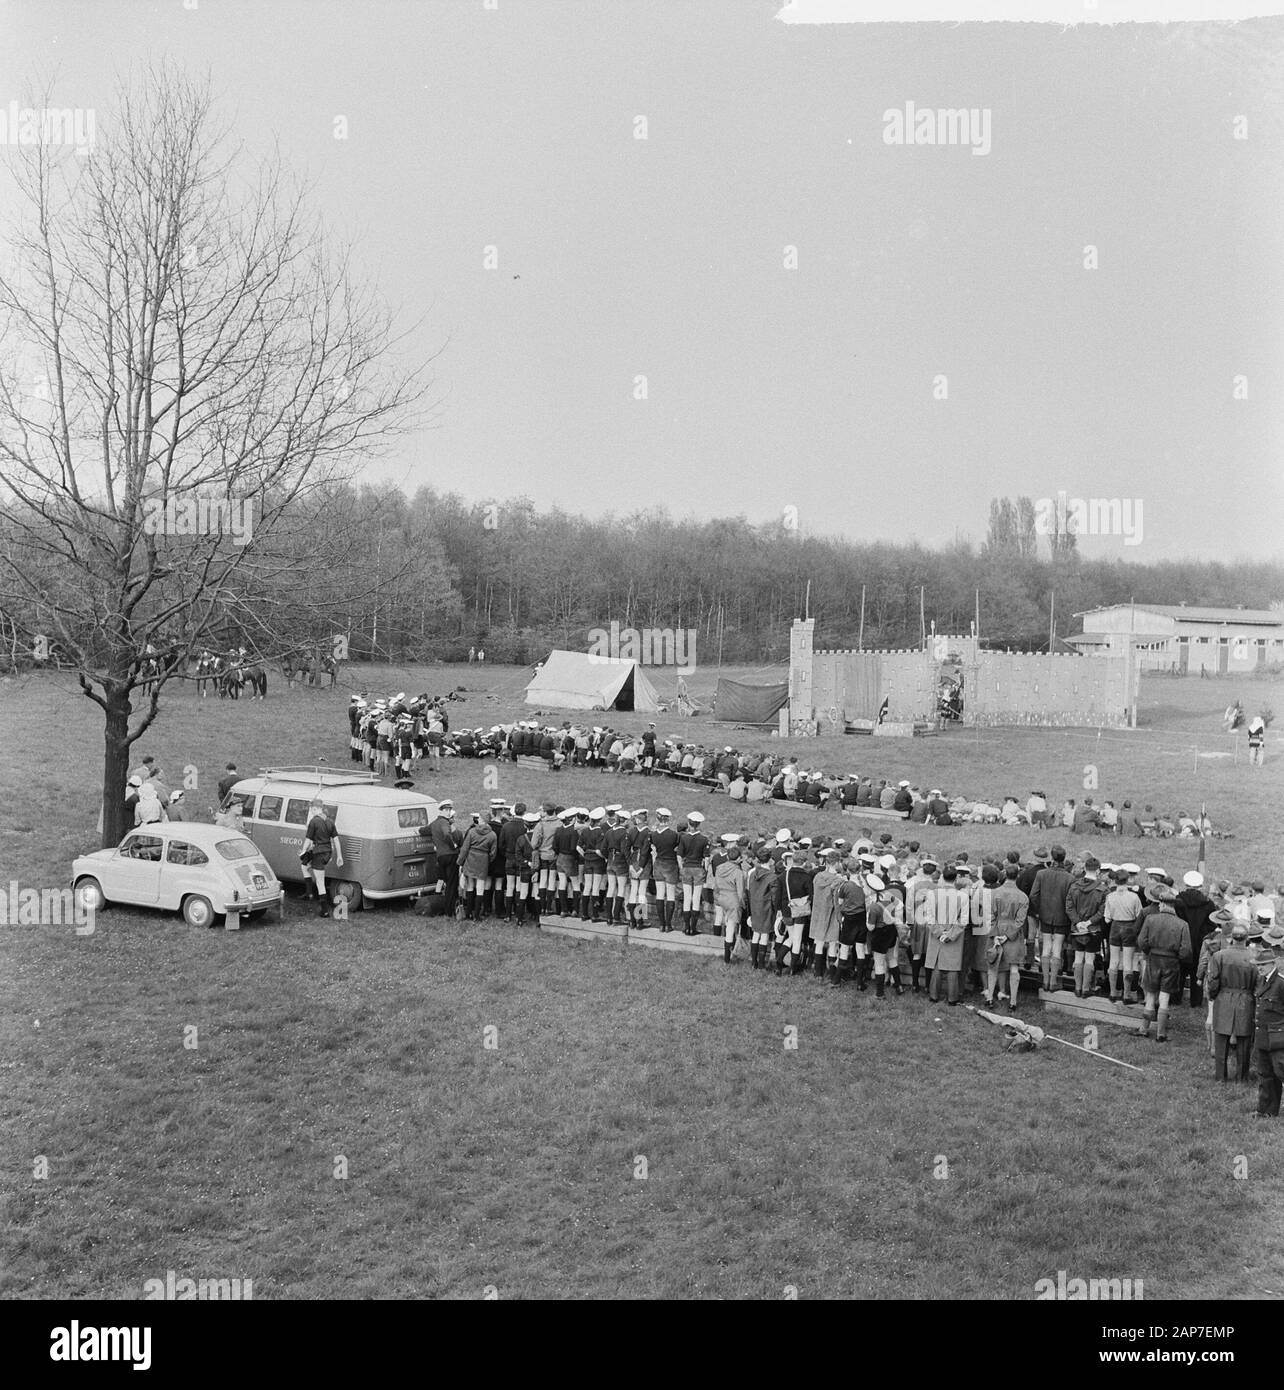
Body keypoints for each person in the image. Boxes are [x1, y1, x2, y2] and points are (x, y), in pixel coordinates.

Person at [1135, 884, 1192, 1043]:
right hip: (1171, 962)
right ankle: (1161, 1033)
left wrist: (1149, 951)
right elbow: (1186, 950)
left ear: (1161, 904)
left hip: (1154, 959)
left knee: (1151, 994)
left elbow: (1141, 941)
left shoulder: (1150, 919)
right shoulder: (1182, 924)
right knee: (1165, 996)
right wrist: (1176, 957)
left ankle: (1144, 1029)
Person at [1206, 923, 1256, 1082]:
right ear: (1247, 938)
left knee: (1221, 1040)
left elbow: (1213, 981)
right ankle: (1242, 1078)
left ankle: (1220, 1076)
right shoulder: (1253, 958)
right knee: (1244, 1041)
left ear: (1231, 937)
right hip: (1246, 999)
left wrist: (1213, 995)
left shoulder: (1219, 956)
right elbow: (1258, 983)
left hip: (1224, 998)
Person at [1029, 845, 1072, 993]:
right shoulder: (1069, 877)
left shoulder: (1041, 874)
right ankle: (1053, 982)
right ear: (1064, 858)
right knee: (1057, 948)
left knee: (1046, 947)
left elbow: (1033, 895)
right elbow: (1069, 900)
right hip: (1062, 917)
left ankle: (1045, 981)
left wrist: (1038, 912)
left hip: (1044, 916)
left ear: (1052, 858)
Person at [1252, 925, 1284, 1117]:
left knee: (1281, 1073)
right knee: (1265, 1076)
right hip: (1263, 1036)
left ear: (1273, 964)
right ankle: (1265, 1110)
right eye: (1257, 966)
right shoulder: (1262, 981)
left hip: (1279, 1038)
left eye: (1262, 965)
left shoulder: (1281, 984)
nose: (1259, 968)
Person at [1065, 856, 1107, 998]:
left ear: (1084, 868)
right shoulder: (1102, 889)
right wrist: (1089, 923)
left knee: (1078, 958)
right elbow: (1102, 910)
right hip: (1093, 929)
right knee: (1089, 959)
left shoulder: (1074, 886)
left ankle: (1077, 988)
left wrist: (1078, 923)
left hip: (1076, 928)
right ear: (1098, 870)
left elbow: (1069, 907)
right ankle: (1086, 989)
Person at [301, 799, 343, 917]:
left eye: (311, 810)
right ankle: (308, 893)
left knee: (320, 882)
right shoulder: (330, 822)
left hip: (318, 853)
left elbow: (308, 840)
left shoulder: (313, 822)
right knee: (304, 866)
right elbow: (336, 840)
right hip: (327, 853)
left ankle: (324, 911)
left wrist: (303, 851)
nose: (311, 811)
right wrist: (339, 856)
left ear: (315, 809)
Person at [457, 811, 498, 921]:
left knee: (470, 886)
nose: (478, 819)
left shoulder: (472, 831)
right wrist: (487, 861)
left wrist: (460, 862)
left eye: (479, 817)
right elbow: (493, 853)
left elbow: (465, 848)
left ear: (483, 820)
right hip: (483, 861)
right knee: (480, 889)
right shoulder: (492, 835)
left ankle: (469, 912)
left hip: (471, 859)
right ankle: (477, 915)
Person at [746, 845, 782, 971]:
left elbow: (749, 891)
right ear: (770, 859)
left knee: (756, 934)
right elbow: (774, 897)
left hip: (754, 906)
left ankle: (753, 962)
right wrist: (777, 910)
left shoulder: (752, 874)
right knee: (765, 935)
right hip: (766, 908)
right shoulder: (772, 877)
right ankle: (761, 964)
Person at [713, 835, 748, 963]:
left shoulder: (719, 868)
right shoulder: (738, 872)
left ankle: (728, 950)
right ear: (738, 859)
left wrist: (717, 898)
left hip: (722, 898)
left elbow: (716, 886)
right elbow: (740, 892)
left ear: (727, 857)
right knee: (731, 928)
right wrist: (743, 905)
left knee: (727, 922)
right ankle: (728, 957)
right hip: (733, 900)